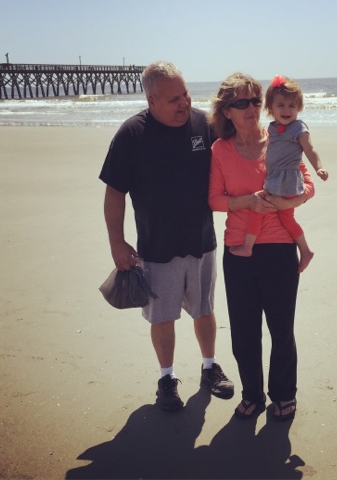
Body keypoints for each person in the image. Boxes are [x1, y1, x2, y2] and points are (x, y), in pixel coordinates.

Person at [99, 61, 234, 411]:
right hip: (157, 247)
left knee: (204, 309)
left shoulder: (204, 125)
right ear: (151, 100)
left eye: (186, 94)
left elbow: (241, 149)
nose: (184, 103)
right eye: (174, 99)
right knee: (163, 316)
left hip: (201, 241)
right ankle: (166, 379)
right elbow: (114, 192)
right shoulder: (132, 134)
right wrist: (116, 241)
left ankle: (209, 367)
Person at [208, 72, 315, 421]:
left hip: (280, 249)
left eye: (255, 100)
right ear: (227, 111)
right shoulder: (220, 150)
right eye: (242, 103)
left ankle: (284, 394)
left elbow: (308, 181)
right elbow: (214, 199)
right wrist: (248, 202)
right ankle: (252, 394)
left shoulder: (281, 136)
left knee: (281, 330)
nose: (251, 108)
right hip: (238, 249)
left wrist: (291, 201)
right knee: (244, 332)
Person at [229, 75, 328, 273]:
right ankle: (305, 250)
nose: (286, 110)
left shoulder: (298, 128)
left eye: (292, 106)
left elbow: (310, 149)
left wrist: (318, 167)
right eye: (281, 105)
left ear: (299, 108)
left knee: (262, 212)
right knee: (285, 218)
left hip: (286, 182)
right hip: (275, 180)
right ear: (270, 108)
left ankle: (249, 247)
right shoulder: (273, 128)